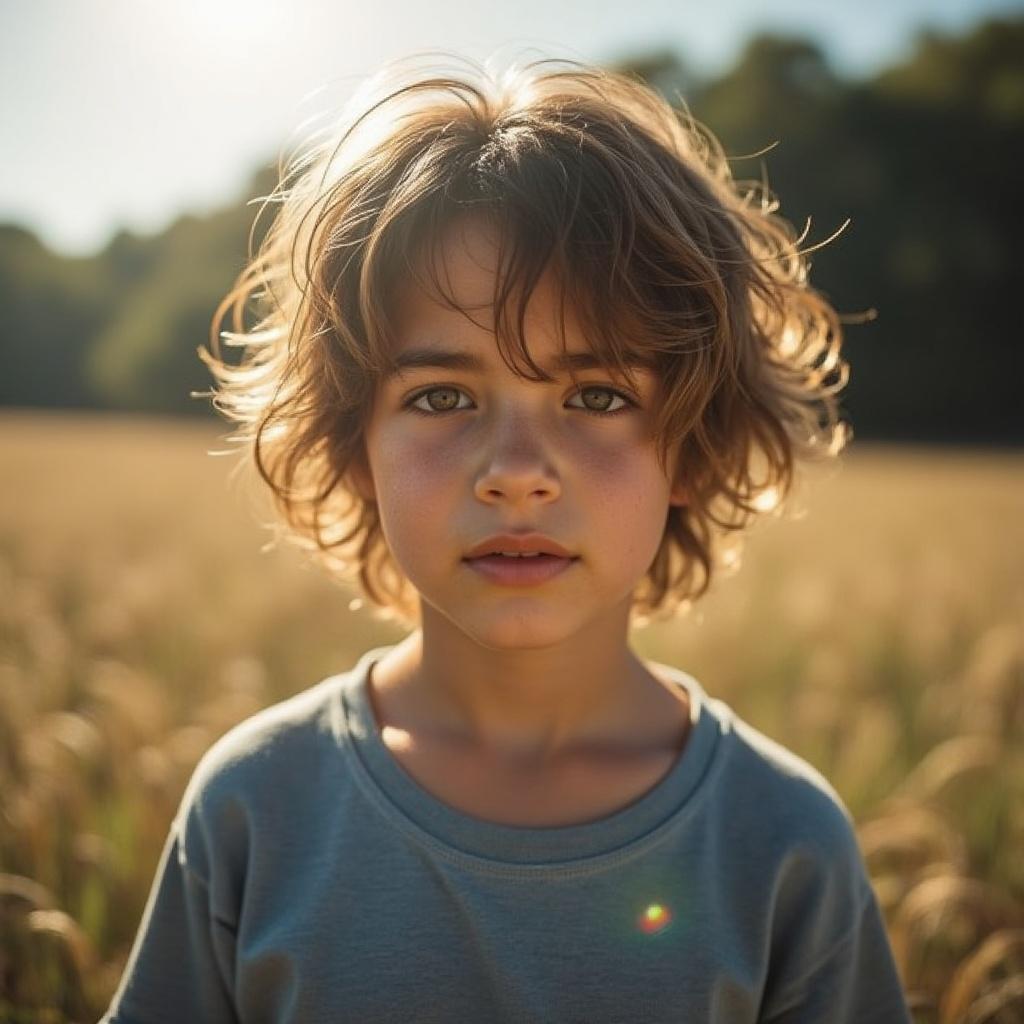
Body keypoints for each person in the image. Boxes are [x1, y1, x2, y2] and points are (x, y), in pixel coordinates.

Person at [102, 55, 912, 1022]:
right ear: (354, 445)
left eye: (597, 397)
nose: (517, 471)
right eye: (442, 397)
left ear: (692, 448)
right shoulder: (255, 809)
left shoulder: (783, 842)